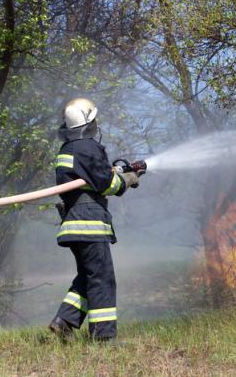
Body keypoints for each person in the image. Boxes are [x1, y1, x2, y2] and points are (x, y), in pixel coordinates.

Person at [48, 98, 140, 342]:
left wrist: (115, 170)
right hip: (89, 221)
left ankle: (64, 321)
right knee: (102, 279)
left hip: (73, 222)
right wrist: (128, 178)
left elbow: (92, 177)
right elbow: (108, 185)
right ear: (89, 123)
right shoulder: (88, 147)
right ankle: (103, 337)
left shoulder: (67, 150)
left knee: (88, 275)